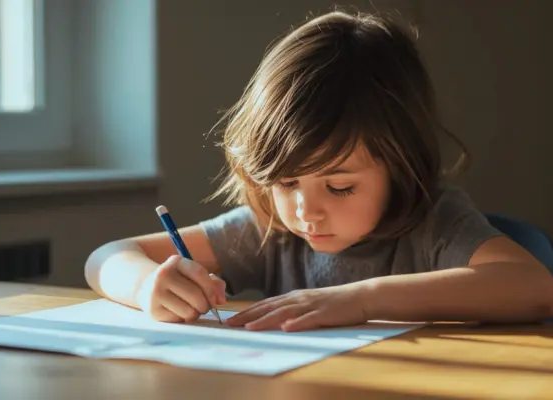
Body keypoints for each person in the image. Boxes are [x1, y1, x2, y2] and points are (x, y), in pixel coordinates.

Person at [84, 10, 553, 332]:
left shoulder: (435, 223)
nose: (306, 211)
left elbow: (535, 286)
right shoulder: (269, 228)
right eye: (286, 182)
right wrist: (147, 284)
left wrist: (362, 299)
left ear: (401, 166)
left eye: (340, 186)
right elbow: (107, 256)